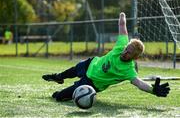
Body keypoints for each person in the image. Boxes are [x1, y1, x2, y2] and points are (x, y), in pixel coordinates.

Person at [42, 12, 170, 102]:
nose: (125, 52)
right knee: (75, 69)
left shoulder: (128, 70)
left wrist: (153, 91)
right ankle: (59, 77)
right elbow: (122, 27)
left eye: (129, 53)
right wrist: (122, 15)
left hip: (91, 83)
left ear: (134, 58)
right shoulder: (121, 45)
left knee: (58, 97)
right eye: (126, 49)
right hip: (92, 64)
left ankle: (61, 93)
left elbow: (139, 83)